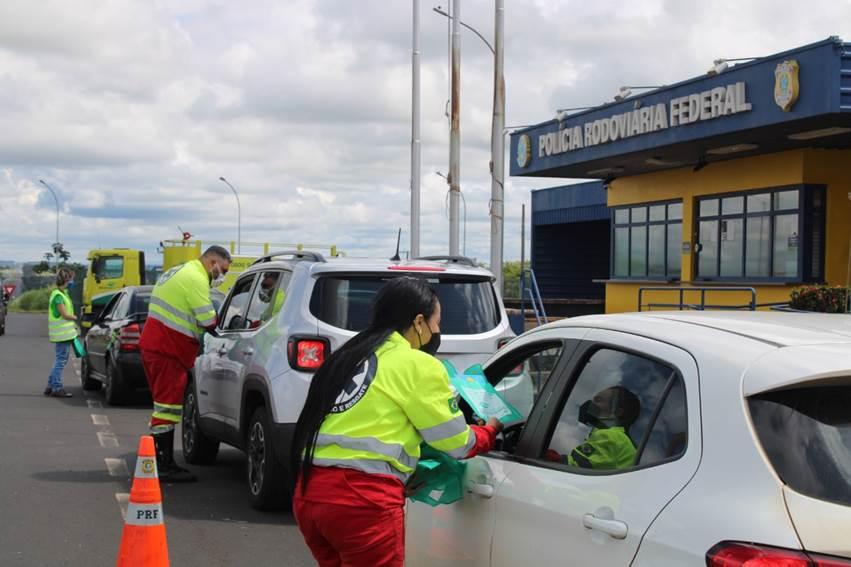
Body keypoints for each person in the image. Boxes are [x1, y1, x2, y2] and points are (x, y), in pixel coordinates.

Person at [290, 277, 504, 567]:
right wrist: (489, 430)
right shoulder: (417, 364)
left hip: (310, 497)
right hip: (363, 505)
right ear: (418, 322)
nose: (438, 331)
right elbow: (456, 443)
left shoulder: (347, 356)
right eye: (437, 322)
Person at [139, 245, 231, 482]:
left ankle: (160, 461)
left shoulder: (181, 271)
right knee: (167, 409)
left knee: (163, 407)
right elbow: (209, 320)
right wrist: (233, 322)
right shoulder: (196, 278)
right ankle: (164, 465)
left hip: (159, 345)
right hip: (167, 349)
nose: (222, 276)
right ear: (212, 262)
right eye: (223, 270)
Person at [546, 386, 640, 470]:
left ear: (617, 412)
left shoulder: (610, 436)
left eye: (598, 400)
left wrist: (551, 457)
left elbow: (576, 467)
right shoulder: (622, 439)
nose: (591, 403)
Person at [45, 267, 78, 398]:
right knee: (61, 361)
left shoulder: (62, 294)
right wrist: (75, 317)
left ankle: (50, 386)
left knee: (60, 360)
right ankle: (56, 387)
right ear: (67, 279)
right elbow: (65, 315)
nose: (73, 281)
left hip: (64, 334)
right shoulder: (59, 296)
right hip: (62, 335)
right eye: (72, 278)